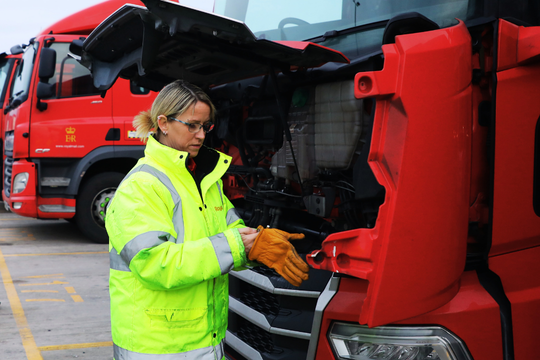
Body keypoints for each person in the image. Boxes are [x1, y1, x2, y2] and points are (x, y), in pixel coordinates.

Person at [105, 79, 309, 360]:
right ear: (163, 123)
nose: (201, 135)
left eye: (206, 126)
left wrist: (257, 242)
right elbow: (155, 264)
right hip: (156, 348)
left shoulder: (204, 180)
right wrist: (238, 246)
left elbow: (231, 230)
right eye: (192, 125)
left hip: (205, 341)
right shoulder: (140, 187)